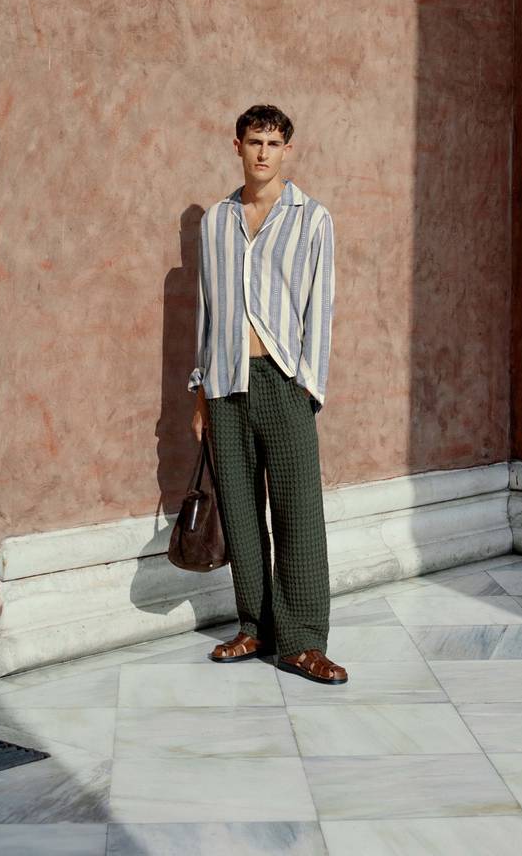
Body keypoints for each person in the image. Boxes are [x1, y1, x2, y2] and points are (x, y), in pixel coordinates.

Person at [188, 104, 345, 685]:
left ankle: (303, 641)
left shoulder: (313, 219)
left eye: (274, 144)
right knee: (241, 513)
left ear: (287, 151)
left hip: (283, 383)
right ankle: (255, 626)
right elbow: (205, 313)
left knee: (299, 514)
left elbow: (319, 310)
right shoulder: (215, 221)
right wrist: (199, 394)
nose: (263, 153)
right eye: (254, 141)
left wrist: (308, 386)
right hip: (225, 383)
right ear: (236, 145)